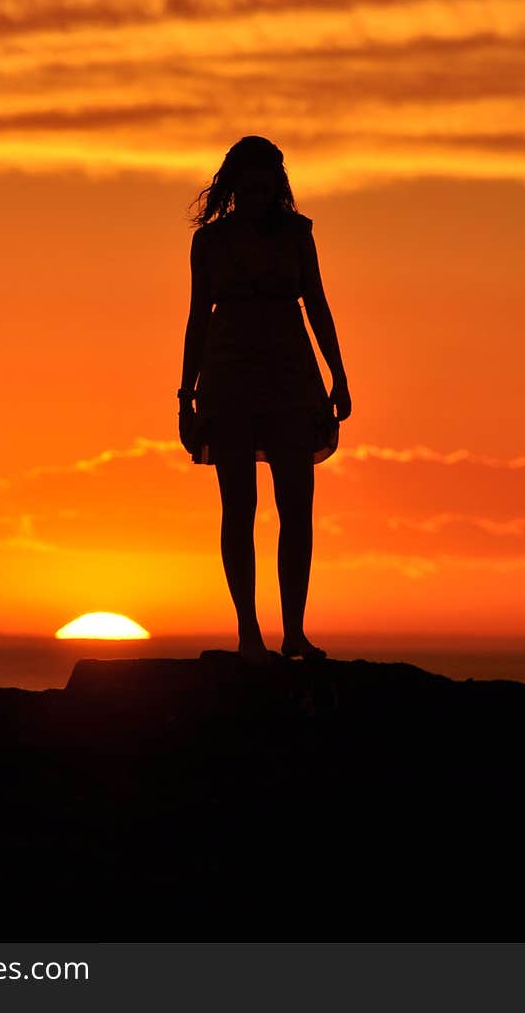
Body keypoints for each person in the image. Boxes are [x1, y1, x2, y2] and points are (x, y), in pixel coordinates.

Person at [178, 136, 352, 665]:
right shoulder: (209, 243)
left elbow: (318, 303)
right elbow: (195, 317)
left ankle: (294, 632)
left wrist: (338, 377)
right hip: (228, 371)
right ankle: (249, 634)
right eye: (250, 180)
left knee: (297, 506)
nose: (259, 190)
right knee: (240, 507)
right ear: (235, 183)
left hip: (290, 370)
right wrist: (185, 395)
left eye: (268, 179)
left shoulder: (299, 235)